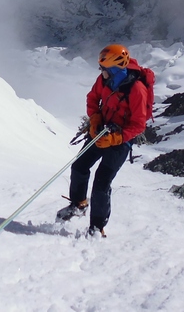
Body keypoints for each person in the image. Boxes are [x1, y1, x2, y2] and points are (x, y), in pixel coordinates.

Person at [58, 44, 149, 237]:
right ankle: (78, 204)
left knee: (102, 182)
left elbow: (139, 124)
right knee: (79, 167)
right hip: (100, 131)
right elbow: (93, 98)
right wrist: (95, 119)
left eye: (103, 69)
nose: (101, 72)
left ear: (114, 69)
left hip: (120, 141)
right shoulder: (104, 81)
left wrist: (116, 138)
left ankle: (97, 227)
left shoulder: (137, 90)